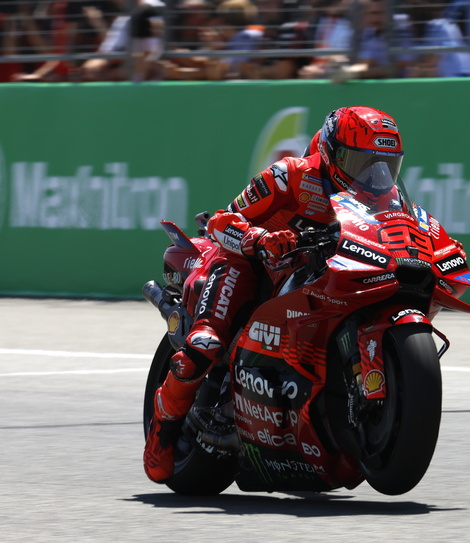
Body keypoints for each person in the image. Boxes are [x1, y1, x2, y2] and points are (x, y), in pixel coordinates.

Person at [143, 106, 405, 483]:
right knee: (204, 343)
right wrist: (260, 239)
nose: (373, 176)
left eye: (384, 166)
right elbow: (223, 220)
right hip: (245, 264)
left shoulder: (385, 197)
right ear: (331, 153)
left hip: (319, 277)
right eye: (361, 162)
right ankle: (162, 435)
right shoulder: (291, 176)